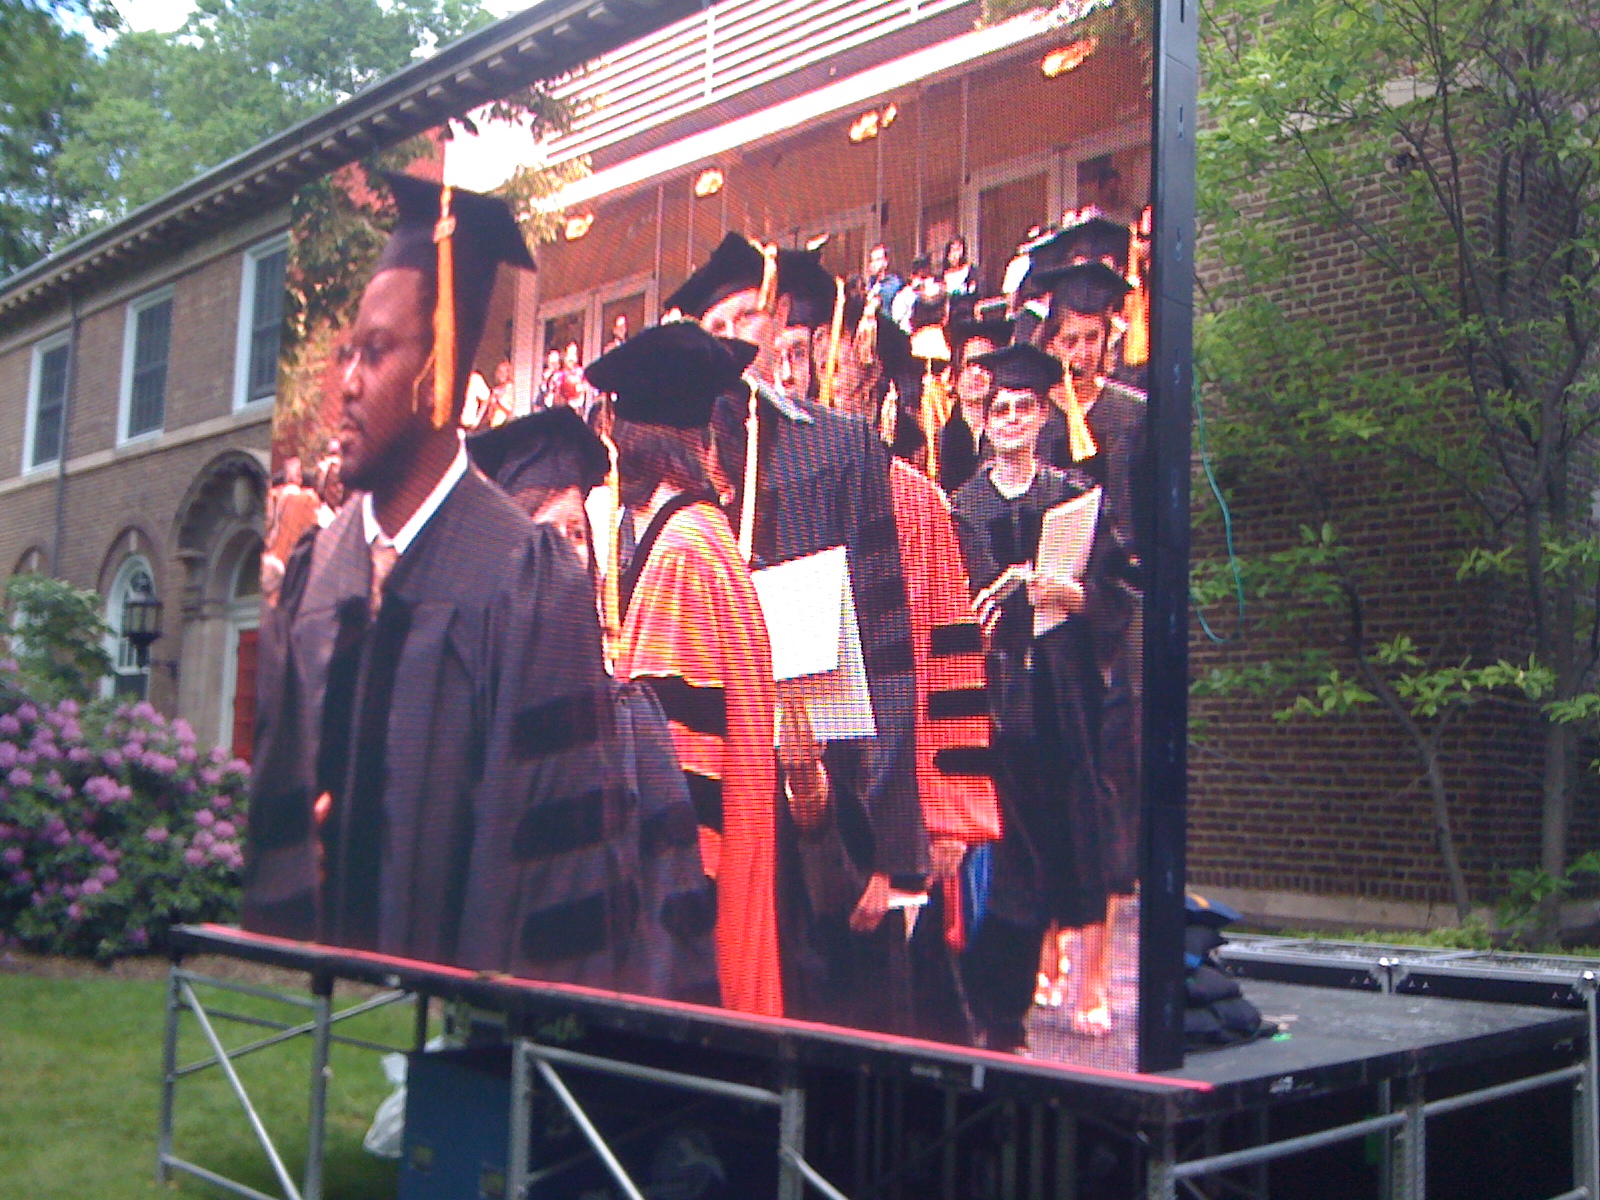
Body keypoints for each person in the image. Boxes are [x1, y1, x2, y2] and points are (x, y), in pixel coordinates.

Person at [242, 174, 625, 988]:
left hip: (449, 1025)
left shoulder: (527, 582)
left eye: (377, 352)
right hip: (300, 1027)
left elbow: (551, 882)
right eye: (347, 353)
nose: (348, 383)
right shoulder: (317, 569)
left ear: (440, 372)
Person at [668, 233, 926, 1029]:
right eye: (716, 327)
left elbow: (887, 649)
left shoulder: (842, 448)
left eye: (748, 316)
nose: (734, 338)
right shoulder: (684, 469)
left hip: (833, 794)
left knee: (848, 1014)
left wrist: (885, 849)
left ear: (780, 324)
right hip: (724, 792)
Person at [467, 406, 722, 1005]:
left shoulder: (632, 720)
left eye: (577, 534)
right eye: (545, 536)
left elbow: (671, 921)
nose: (566, 554)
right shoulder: (466, 710)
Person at [587, 323, 782, 1017]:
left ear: (631, 441)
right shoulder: (703, 535)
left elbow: (681, 763)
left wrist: (675, 912)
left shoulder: (681, 555)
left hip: (695, 902)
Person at [952, 343, 1124, 1052]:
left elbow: (1116, 596)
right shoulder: (962, 506)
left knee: (1067, 838)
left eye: (1025, 407)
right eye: (1000, 409)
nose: (1012, 419)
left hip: (1062, 697)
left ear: (1045, 416)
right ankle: (999, 1005)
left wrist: (1071, 594)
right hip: (993, 695)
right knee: (1006, 853)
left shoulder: (1072, 496)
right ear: (985, 421)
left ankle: (1065, 985)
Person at [1031, 257, 1149, 1021]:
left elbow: (1140, 539)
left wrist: (1100, 596)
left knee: (1103, 802)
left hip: (1108, 633)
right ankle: (1047, 951)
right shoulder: (1033, 418)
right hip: (1048, 637)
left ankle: (1097, 978)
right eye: (1069, 340)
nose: (1081, 355)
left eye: (1093, 339)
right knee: (1046, 791)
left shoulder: (1132, 417)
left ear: (1110, 338)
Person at [938, 316, 1013, 496]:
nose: (976, 373)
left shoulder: (1010, 431)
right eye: (969, 364)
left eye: (985, 365)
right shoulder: (939, 439)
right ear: (956, 374)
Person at [865, 242, 903, 313]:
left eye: (877, 260)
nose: (873, 264)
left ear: (886, 261)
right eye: (872, 261)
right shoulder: (872, 282)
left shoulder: (894, 284)